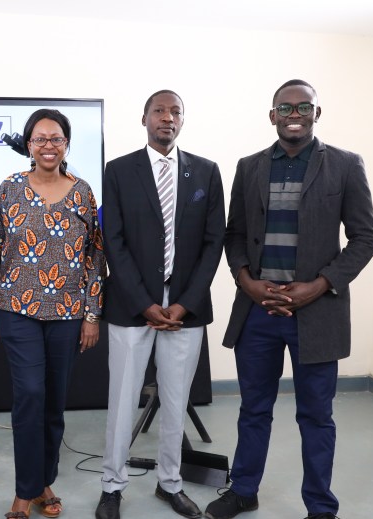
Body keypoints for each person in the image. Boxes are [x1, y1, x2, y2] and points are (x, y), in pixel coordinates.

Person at [203, 79, 373, 519]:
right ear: (272, 115)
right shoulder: (249, 167)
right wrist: (247, 281)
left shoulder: (345, 165)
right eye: (285, 107)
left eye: (304, 107)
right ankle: (244, 490)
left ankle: (320, 506)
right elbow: (234, 235)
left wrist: (318, 285)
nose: (294, 114)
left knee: (316, 416)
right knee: (253, 409)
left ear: (317, 113)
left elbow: (365, 238)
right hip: (258, 312)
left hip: (317, 314)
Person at [94, 90, 225, 519]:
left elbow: (214, 243)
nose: (167, 117)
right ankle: (112, 487)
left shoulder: (206, 171)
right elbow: (113, 241)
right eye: (159, 111)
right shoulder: (119, 171)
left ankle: (170, 483)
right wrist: (145, 303)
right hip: (132, 305)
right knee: (122, 401)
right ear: (144, 118)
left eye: (176, 111)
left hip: (185, 309)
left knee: (175, 401)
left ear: (182, 120)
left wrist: (184, 303)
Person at [0, 108, 105, 519]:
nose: (49, 145)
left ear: (66, 144)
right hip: (16, 308)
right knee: (30, 394)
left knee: (53, 402)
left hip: (68, 312)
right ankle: (24, 491)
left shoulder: (83, 192)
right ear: (29, 145)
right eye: (40, 138)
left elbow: (94, 256)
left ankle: (43, 481)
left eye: (56, 138)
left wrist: (92, 315)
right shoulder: (9, 188)